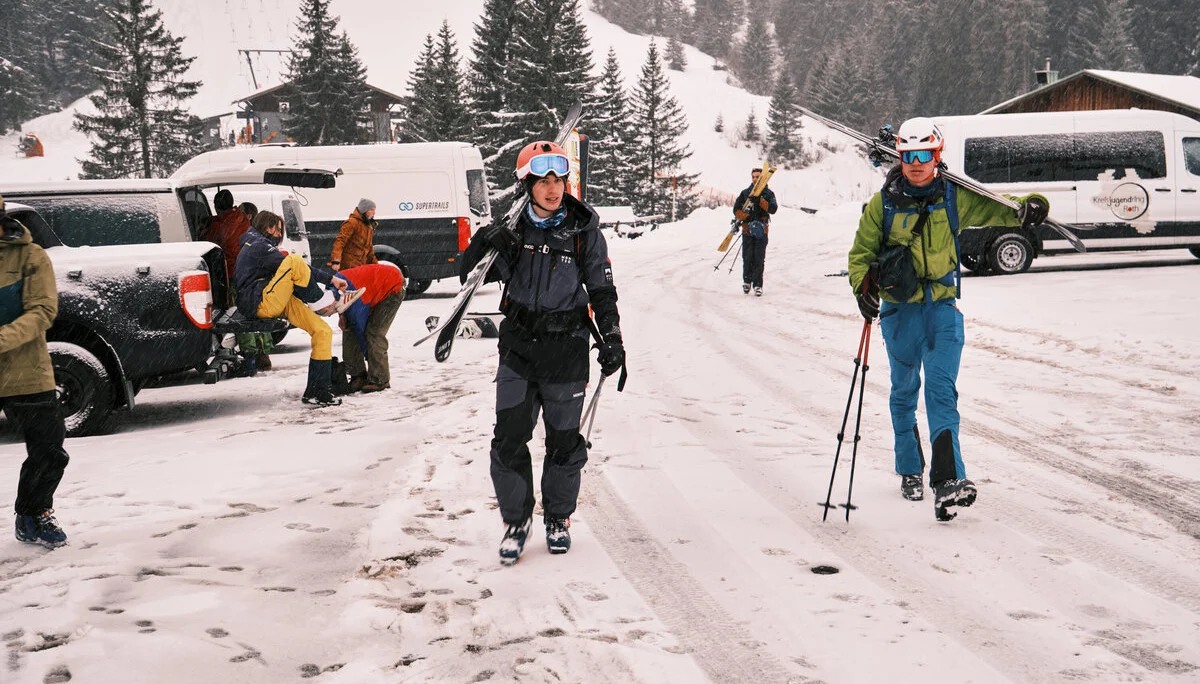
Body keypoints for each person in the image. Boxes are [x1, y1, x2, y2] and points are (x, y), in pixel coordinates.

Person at [847, 117, 1049, 522]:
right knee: (904, 392)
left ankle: (948, 482)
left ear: (937, 157)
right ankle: (909, 468)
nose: (916, 163)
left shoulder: (954, 197)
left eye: (924, 155)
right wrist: (862, 289)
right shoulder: (882, 204)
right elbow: (859, 255)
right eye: (908, 156)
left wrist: (1030, 205)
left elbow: (1003, 208)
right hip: (899, 310)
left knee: (941, 391)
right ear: (900, 157)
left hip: (941, 307)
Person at [459, 140, 625, 566]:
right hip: (518, 346)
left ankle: (557, 517)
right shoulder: (512, 227)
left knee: (565, 443)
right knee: (509, 437)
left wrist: (612, 337)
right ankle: (516, 522)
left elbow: (602, 290)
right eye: (544, 180)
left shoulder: (583, 228)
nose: (554, 189)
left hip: (566, 348)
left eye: (560, 180)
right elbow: (467, 276)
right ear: (527, 183)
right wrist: (483, 243)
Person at [234, 211, 362, 406]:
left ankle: (317, 391)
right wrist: (330, 280)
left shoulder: (259, 244)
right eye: (276, 229)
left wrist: (331, 279)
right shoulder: (257, 245)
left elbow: (301, 271)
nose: (278, 234)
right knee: (294, 261)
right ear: (266, 227)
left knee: (322, 331)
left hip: (273, 297)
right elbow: (297, 267)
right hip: (260, 302)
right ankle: (322, 303)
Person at [0, 195, 70, 548]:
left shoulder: (30, 256)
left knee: (49, 450)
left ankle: (34, 513)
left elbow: (43, 310)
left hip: (26, 371)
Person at [336, 262, 406, 393]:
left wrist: (370, 356)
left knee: (374, 332)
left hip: (392, 286)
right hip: (373, 288)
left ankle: (380, 378)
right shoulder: (334, 289)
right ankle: (358, 375)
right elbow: (341, 304)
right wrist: (342, 315)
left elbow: (360, 328)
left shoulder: (353, 297)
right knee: (349, 329)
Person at [733, 167, 777, 296]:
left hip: (761, 231)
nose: (755, 179)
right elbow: (736, 209)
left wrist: (761, 201)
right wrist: (744, 216)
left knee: (759, 258)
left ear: (762, 178)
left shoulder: (769, 194)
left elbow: (773, 209)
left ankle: (758, 285)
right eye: (753, 177)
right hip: (747, 230)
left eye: (758, 177)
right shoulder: (745, 193)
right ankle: (747, 281)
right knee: (747, 257)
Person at [329, 199, 379, 271]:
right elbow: (340, 242)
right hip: (348, 267)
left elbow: (369, 251)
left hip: (360, 267)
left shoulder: (368, 226)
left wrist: (376, 267)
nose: (374, 213)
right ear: (364, 210)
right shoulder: (352, 223)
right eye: (371, 210)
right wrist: (336, 261)